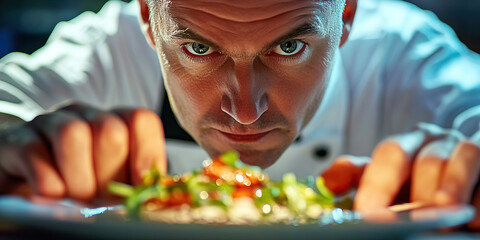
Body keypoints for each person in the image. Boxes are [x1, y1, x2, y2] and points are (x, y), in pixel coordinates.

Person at [1, 0, 480, 229]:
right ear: (149, 18)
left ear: (346, 17)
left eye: (289, 47)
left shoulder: (405, 54)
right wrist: (14, 145)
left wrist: (465, 170)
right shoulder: (104, 51)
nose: (246, 113)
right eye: (198, 48)